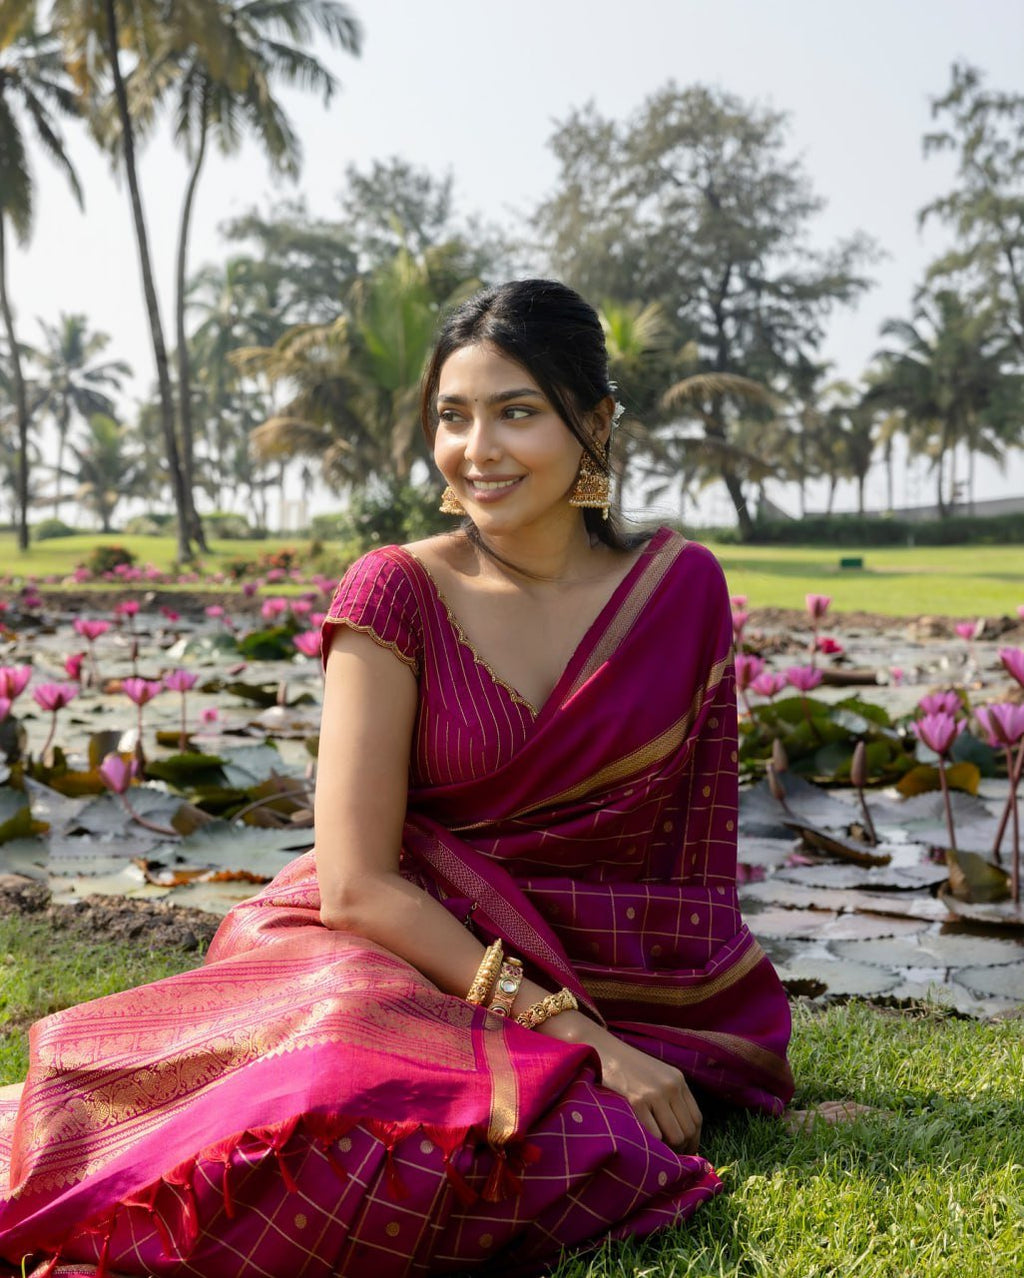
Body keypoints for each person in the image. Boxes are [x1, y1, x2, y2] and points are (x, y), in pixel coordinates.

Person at [0, 280, 793, 1277]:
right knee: (342, 1091)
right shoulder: (396, 590)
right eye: (452, 418)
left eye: (518, 413)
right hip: (386, 951)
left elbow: (690, 867)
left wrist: (655, 1040)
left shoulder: (679, 593)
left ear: (594, 425)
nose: (478, 450)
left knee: (560, 1148)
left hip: (610, 983)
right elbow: (355, 887)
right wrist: (573, 1033)